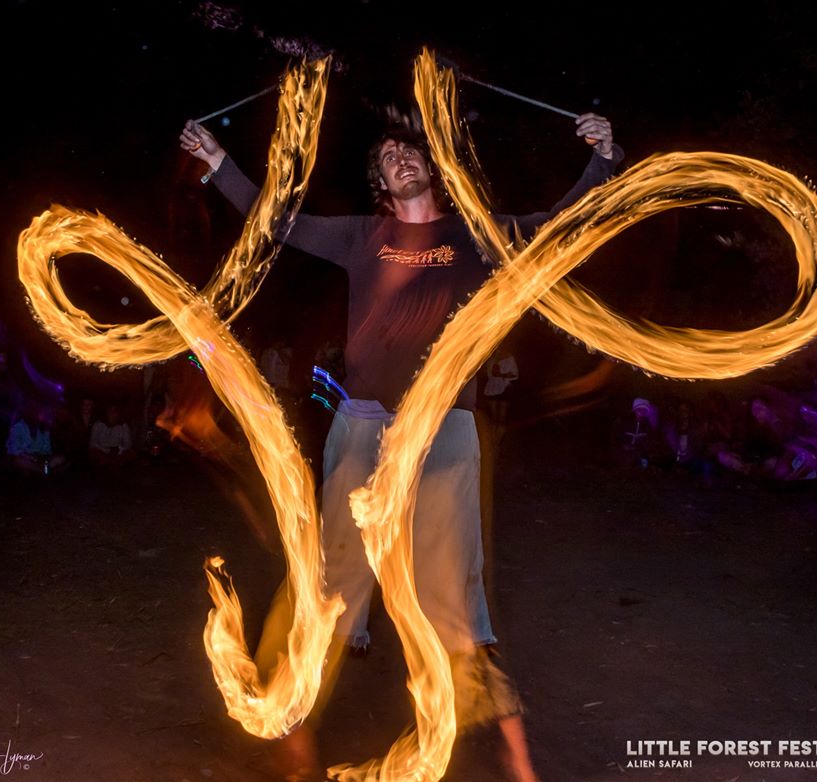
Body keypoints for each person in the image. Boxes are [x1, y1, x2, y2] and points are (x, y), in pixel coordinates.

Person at [181, 108, 621, 782]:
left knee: (453, 600)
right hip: (363, 427)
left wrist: (602, 159)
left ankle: (519, 760)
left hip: (443, 427)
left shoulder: (474, 236)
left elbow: (558, 223)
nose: (400, 158)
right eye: (387, 156)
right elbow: (279, 222)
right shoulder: (364, 236)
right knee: (329, 585)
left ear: (429, 169)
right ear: (380, 183)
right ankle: (294, 743)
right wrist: (219, 164)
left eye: (408, 150)